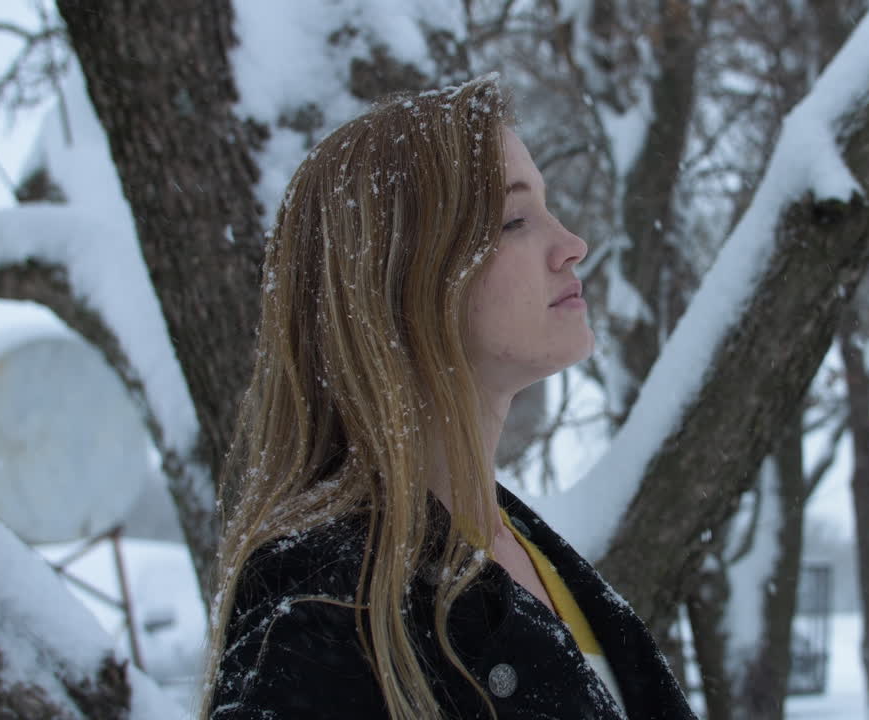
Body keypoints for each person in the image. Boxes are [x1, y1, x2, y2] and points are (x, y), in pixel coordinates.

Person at [198, 75, 696, 720]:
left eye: (547, 208)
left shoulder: (525, 548)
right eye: (515, 219)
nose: (573, 246)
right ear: (398, 277)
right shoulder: (322, 596)